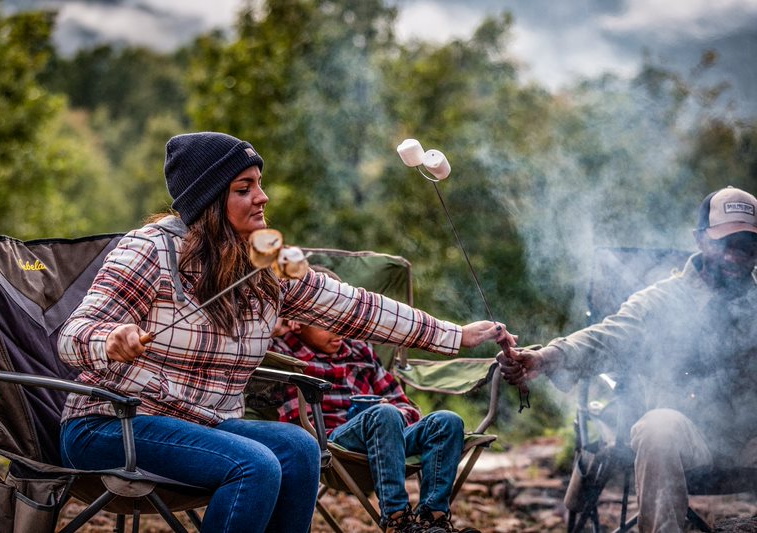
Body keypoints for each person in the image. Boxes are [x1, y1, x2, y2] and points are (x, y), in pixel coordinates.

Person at [57, 131, 517, 533]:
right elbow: (73, 335)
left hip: (206, 424)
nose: (263, 197)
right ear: (209, 201)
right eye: (245, 188)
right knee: (255, 465)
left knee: (299, 447)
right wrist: (110, 339)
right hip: (113, 422)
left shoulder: (264, 261)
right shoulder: (150, 250)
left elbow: (356, 307)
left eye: (259, 184)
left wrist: (455, 336)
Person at [498, 186, 757, 533]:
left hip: (748, 438)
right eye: (727, 244)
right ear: (701, 240)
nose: (738, 255)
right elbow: (607, 337)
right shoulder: (663, 300)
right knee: (657, 428)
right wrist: (546, 357)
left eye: (748, 245)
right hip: (688, 436)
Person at [270, 266, 483, 533]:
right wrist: (279, 320)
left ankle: (433, 518)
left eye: (342, 321)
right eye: (326, 322)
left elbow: (403, 404)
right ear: (297, 321)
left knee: (447, 421)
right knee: (383, 415)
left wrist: (394, 416)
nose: (338, 330)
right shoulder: (280, 349)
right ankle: (398, 521)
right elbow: (252, 330)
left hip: (387, 438)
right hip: (329, 442)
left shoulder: (360, 350)